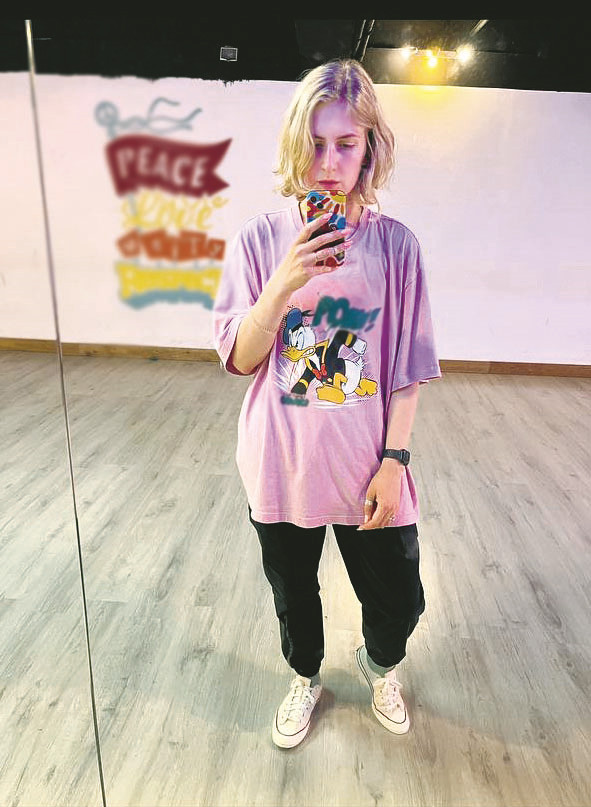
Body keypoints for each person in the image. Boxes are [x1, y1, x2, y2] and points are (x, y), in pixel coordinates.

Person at [212, 59, 441, 748]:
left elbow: (406, 369)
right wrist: (283, 282)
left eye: (346, 143)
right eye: (315, 143)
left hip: (368, 465)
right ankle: (305, 677)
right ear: (294, 142)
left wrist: (394, 461)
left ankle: (380, 664)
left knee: (399, 598)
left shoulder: (396, 247)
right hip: (281, 463)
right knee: (294, 595)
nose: (329, 163)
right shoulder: (259, 240)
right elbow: (240, 358)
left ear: (370, 146)